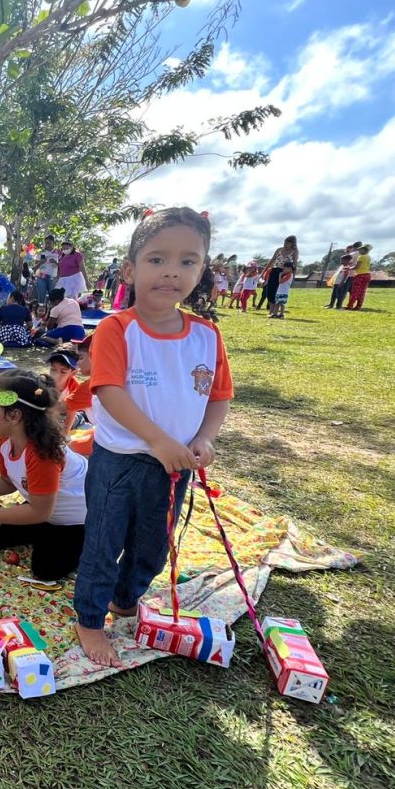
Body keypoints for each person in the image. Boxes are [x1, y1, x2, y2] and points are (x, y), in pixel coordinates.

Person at [73, 207, 233, 668]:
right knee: (103, 542)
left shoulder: (207, 336)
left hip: (176, 466)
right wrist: (158, 440)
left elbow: (218, 396)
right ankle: (89, 619)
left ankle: (126, 599)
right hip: (119, 461)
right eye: (157, 259)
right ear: (130, 270)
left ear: (202, 271)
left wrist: (205, 439)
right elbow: (109, 391)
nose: (171, 272)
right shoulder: (117, 328)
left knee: (153, 545)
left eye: (187, 261)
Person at [0, 370, 88, 582]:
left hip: (78, 520)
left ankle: (87, 539)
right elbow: (7, 481)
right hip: (45, 508)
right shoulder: (7, 440)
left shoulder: (42, 453)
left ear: (14, 416)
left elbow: (40, 511)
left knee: (46, 569)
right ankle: (45, 530)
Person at [256, 234, 299, 311]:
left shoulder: (294, 252)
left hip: (284, 273)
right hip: (274, 271)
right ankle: (271, 309)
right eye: (284, 242)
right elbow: (271, 261)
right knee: (270, 291)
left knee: (278, 292)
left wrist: (293, 277)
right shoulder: (279, 249)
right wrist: (263, 273)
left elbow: (295, 265)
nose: (285, 244)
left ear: (292, 244)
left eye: (287, 243)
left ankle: (275, 311)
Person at [327, 245, 357, 309]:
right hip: (336, 283)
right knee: (334, 295)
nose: (341, 262)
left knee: (339, 296)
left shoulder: (347, 268)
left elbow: (346, 275)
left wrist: (342, 282)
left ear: (347, 261)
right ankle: (331, 305)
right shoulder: (342, 267)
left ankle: (338, 306)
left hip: (340, 284)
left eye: (342, 260)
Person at [34, 236, 60, 303]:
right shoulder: (41, 253)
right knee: (41, 298)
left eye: (49, 243)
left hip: (53, 278)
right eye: (46, 243)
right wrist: (40, 262)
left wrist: (56, 263)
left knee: (53, 299)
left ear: (53, 243)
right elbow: (34, 268)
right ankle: (41, 309)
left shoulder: (58, 253)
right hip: (41, 277)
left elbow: (63, 266)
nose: (47, 244)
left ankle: (53, 309)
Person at [346, 243, 372, 310]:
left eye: (361, 249)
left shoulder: (361, 257)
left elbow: (356, 267)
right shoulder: (368, 257)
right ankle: (358, 306)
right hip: (367, 275)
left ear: (365, 250)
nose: (359, 251)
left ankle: (350, 306)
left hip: (360, 275)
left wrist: (348, 268)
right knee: (362, 291)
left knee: (355, 291)